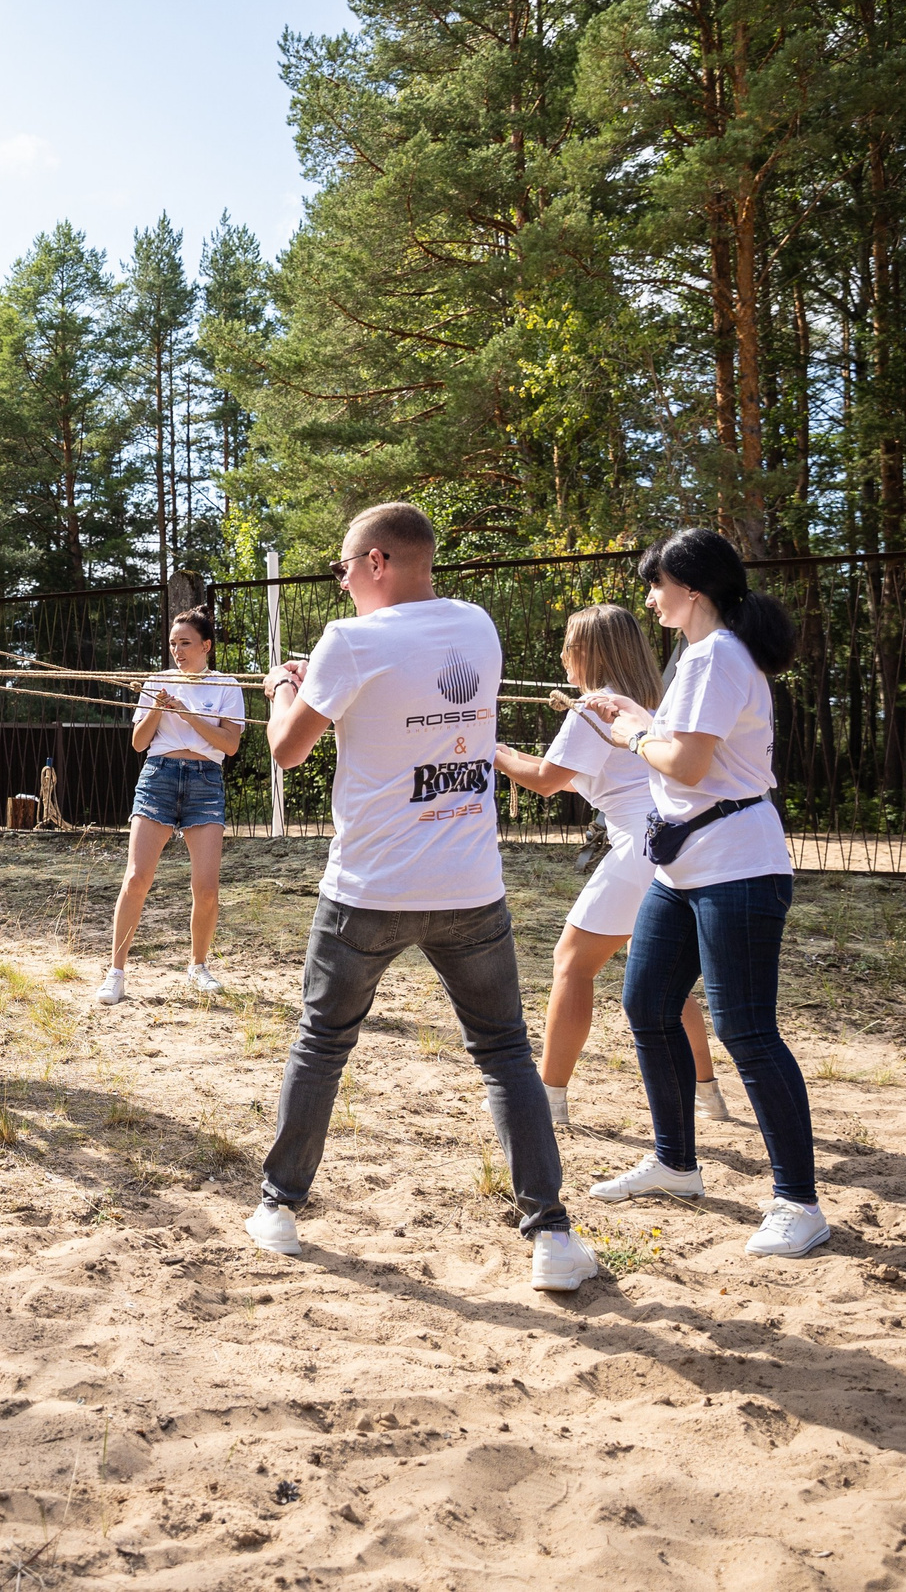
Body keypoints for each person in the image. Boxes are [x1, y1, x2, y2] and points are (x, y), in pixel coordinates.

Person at [249, 502, 593, 1293]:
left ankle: (278, 1205)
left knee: (321, 1042)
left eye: (342, 566)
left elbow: (286, 750)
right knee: (505, 1052)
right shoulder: (477, 624)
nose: (339, 581)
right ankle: (552, 1234)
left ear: (377, 562)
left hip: (369, 886)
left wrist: (281, 684)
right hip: (469, 885)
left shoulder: (349, 640)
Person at [577, 528, 826, 1260]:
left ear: (692, 588)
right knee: (647, 1004)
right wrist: (638, 722)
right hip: (684, 868)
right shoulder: (699, 653)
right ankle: (677, 1163)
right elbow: (682, 746)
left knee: (747, 1030)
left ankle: (799, 1202)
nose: (649, 597)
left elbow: (685, 763)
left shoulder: (717, 653)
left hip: (738, 868)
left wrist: (629, 736)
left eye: (656, 584)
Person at [492, 605, 724, 1127]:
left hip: (639, 846)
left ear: (588, 653)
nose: (561, 655)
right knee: (669, 981)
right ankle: (709, 1095)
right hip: (676, 843)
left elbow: (549, 780)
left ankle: (547, 1098)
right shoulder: (649, 703)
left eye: (568, 644)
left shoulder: (594, 710)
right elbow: (581, 777)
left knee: (572, 964)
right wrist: (514, 758)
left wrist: (493, 750)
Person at [99, 604, 245, 1004]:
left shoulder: (227, 685)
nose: (178, 651)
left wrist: (187, 712)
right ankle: (116, 973)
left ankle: (198, 967)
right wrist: (160, 710)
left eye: (186, 643)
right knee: (136, 878)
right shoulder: (156, 681)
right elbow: (139, 742)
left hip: (205, 783)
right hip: (159, 777)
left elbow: (229, 745)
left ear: (206, 646)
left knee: (207, 886)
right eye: (173, 644)